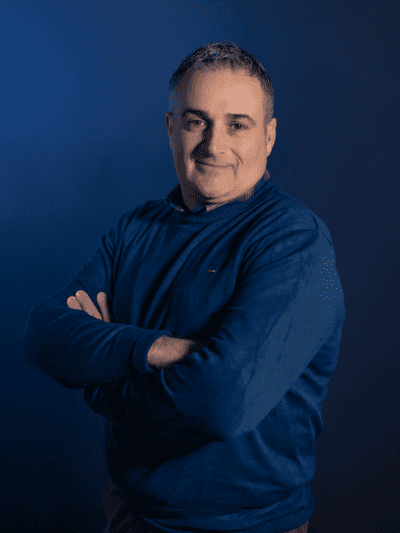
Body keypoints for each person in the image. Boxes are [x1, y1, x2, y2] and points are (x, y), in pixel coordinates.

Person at [23, 41, 345, 533]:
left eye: (238, 125)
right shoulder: (136, 229)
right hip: (130, 516)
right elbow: (43, 334)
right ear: (171, 128)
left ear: (269, 136)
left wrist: (99, 382)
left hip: (250, 527)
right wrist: (161, 349)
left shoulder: (295, 242)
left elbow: (220, 405)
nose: (214, 145)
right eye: (197, 122)